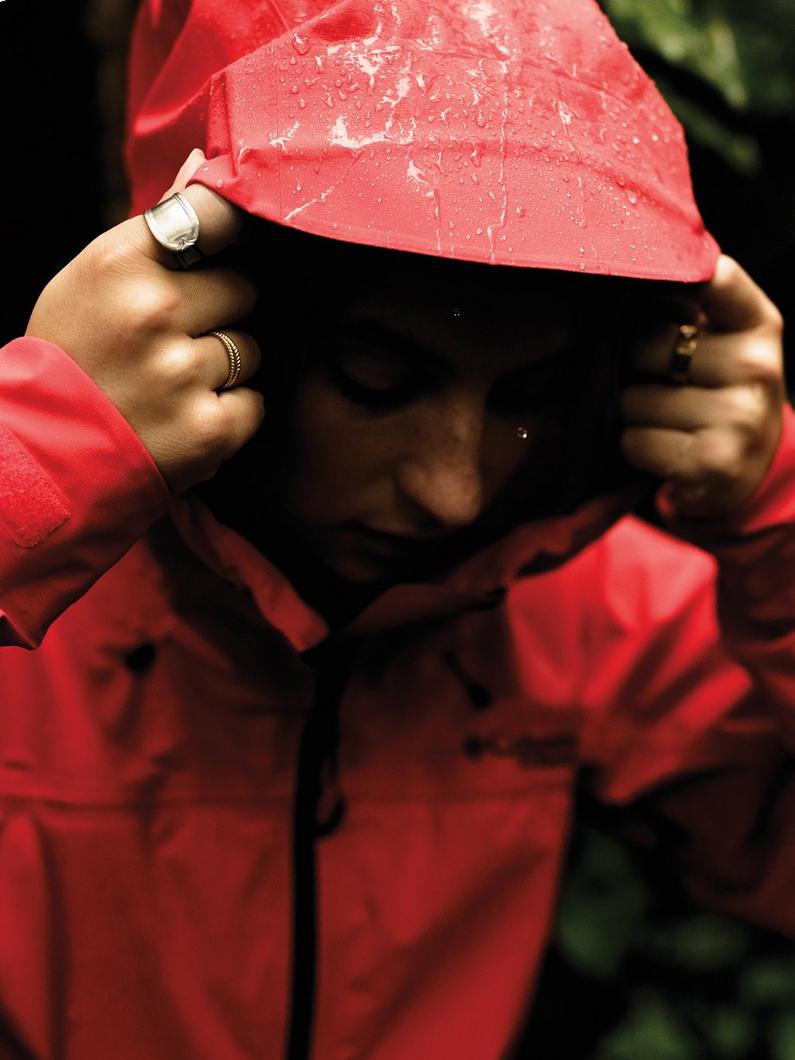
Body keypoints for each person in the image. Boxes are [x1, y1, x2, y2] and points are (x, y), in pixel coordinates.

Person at [0, 0, 792, 1057]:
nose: (455, 492)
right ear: (211, 315)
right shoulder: (42, 612)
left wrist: (780, 514)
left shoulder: (575, 611)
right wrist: (33, 467)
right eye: (379, 380)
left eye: (530, 394)